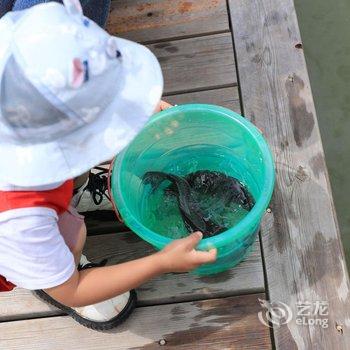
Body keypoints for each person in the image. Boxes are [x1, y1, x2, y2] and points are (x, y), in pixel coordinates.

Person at [0, 0, 217, 331]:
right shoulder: (21, 220)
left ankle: (75, 194)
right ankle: (49, 270)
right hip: (19, 244)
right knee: (71, 235)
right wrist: (162, 262)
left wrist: (131, 104)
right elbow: (73, 291)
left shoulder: (15, 89)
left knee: (69, 190)